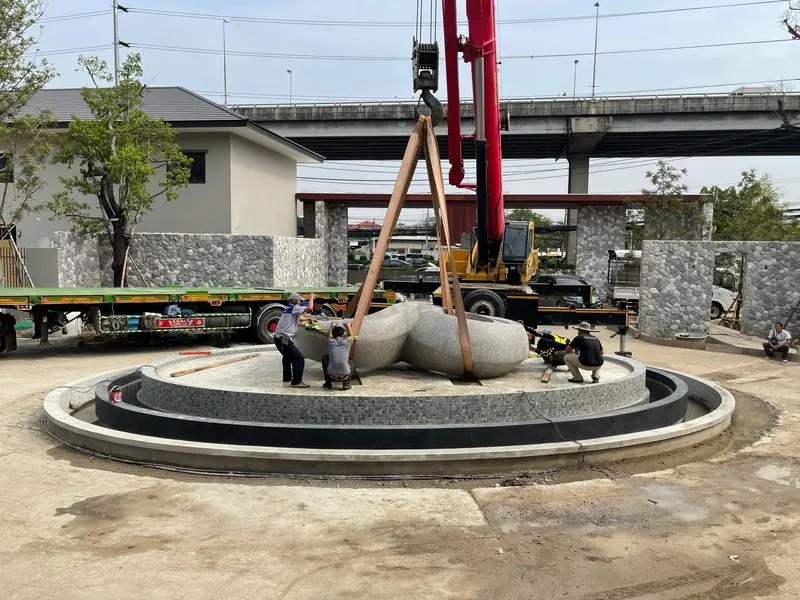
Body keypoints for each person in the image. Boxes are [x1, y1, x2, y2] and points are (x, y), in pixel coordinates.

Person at [274, 292, 316, 388]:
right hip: (283, 338)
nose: (300, 301)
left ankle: (287, 377)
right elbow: (309, 308)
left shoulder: (289, 308)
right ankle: (296, 382)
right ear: (297, 300)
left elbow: (300, 317)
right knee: (299, 358)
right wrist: (311, 297)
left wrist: (310, 318)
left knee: (287, 356)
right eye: (299, 300)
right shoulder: (295, 307)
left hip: (279, 338)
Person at [322, 321, 357, 390]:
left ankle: (328, 383)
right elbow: (352, 335)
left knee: (325, 358)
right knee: (350, 362)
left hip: (331, 376)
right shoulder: (347, 341)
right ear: (343, 334)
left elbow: (330, 335)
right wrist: (348, 325)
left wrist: (332, 326)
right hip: (345, 376)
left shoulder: (330, 341)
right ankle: (346, 383)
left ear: (333, 335)